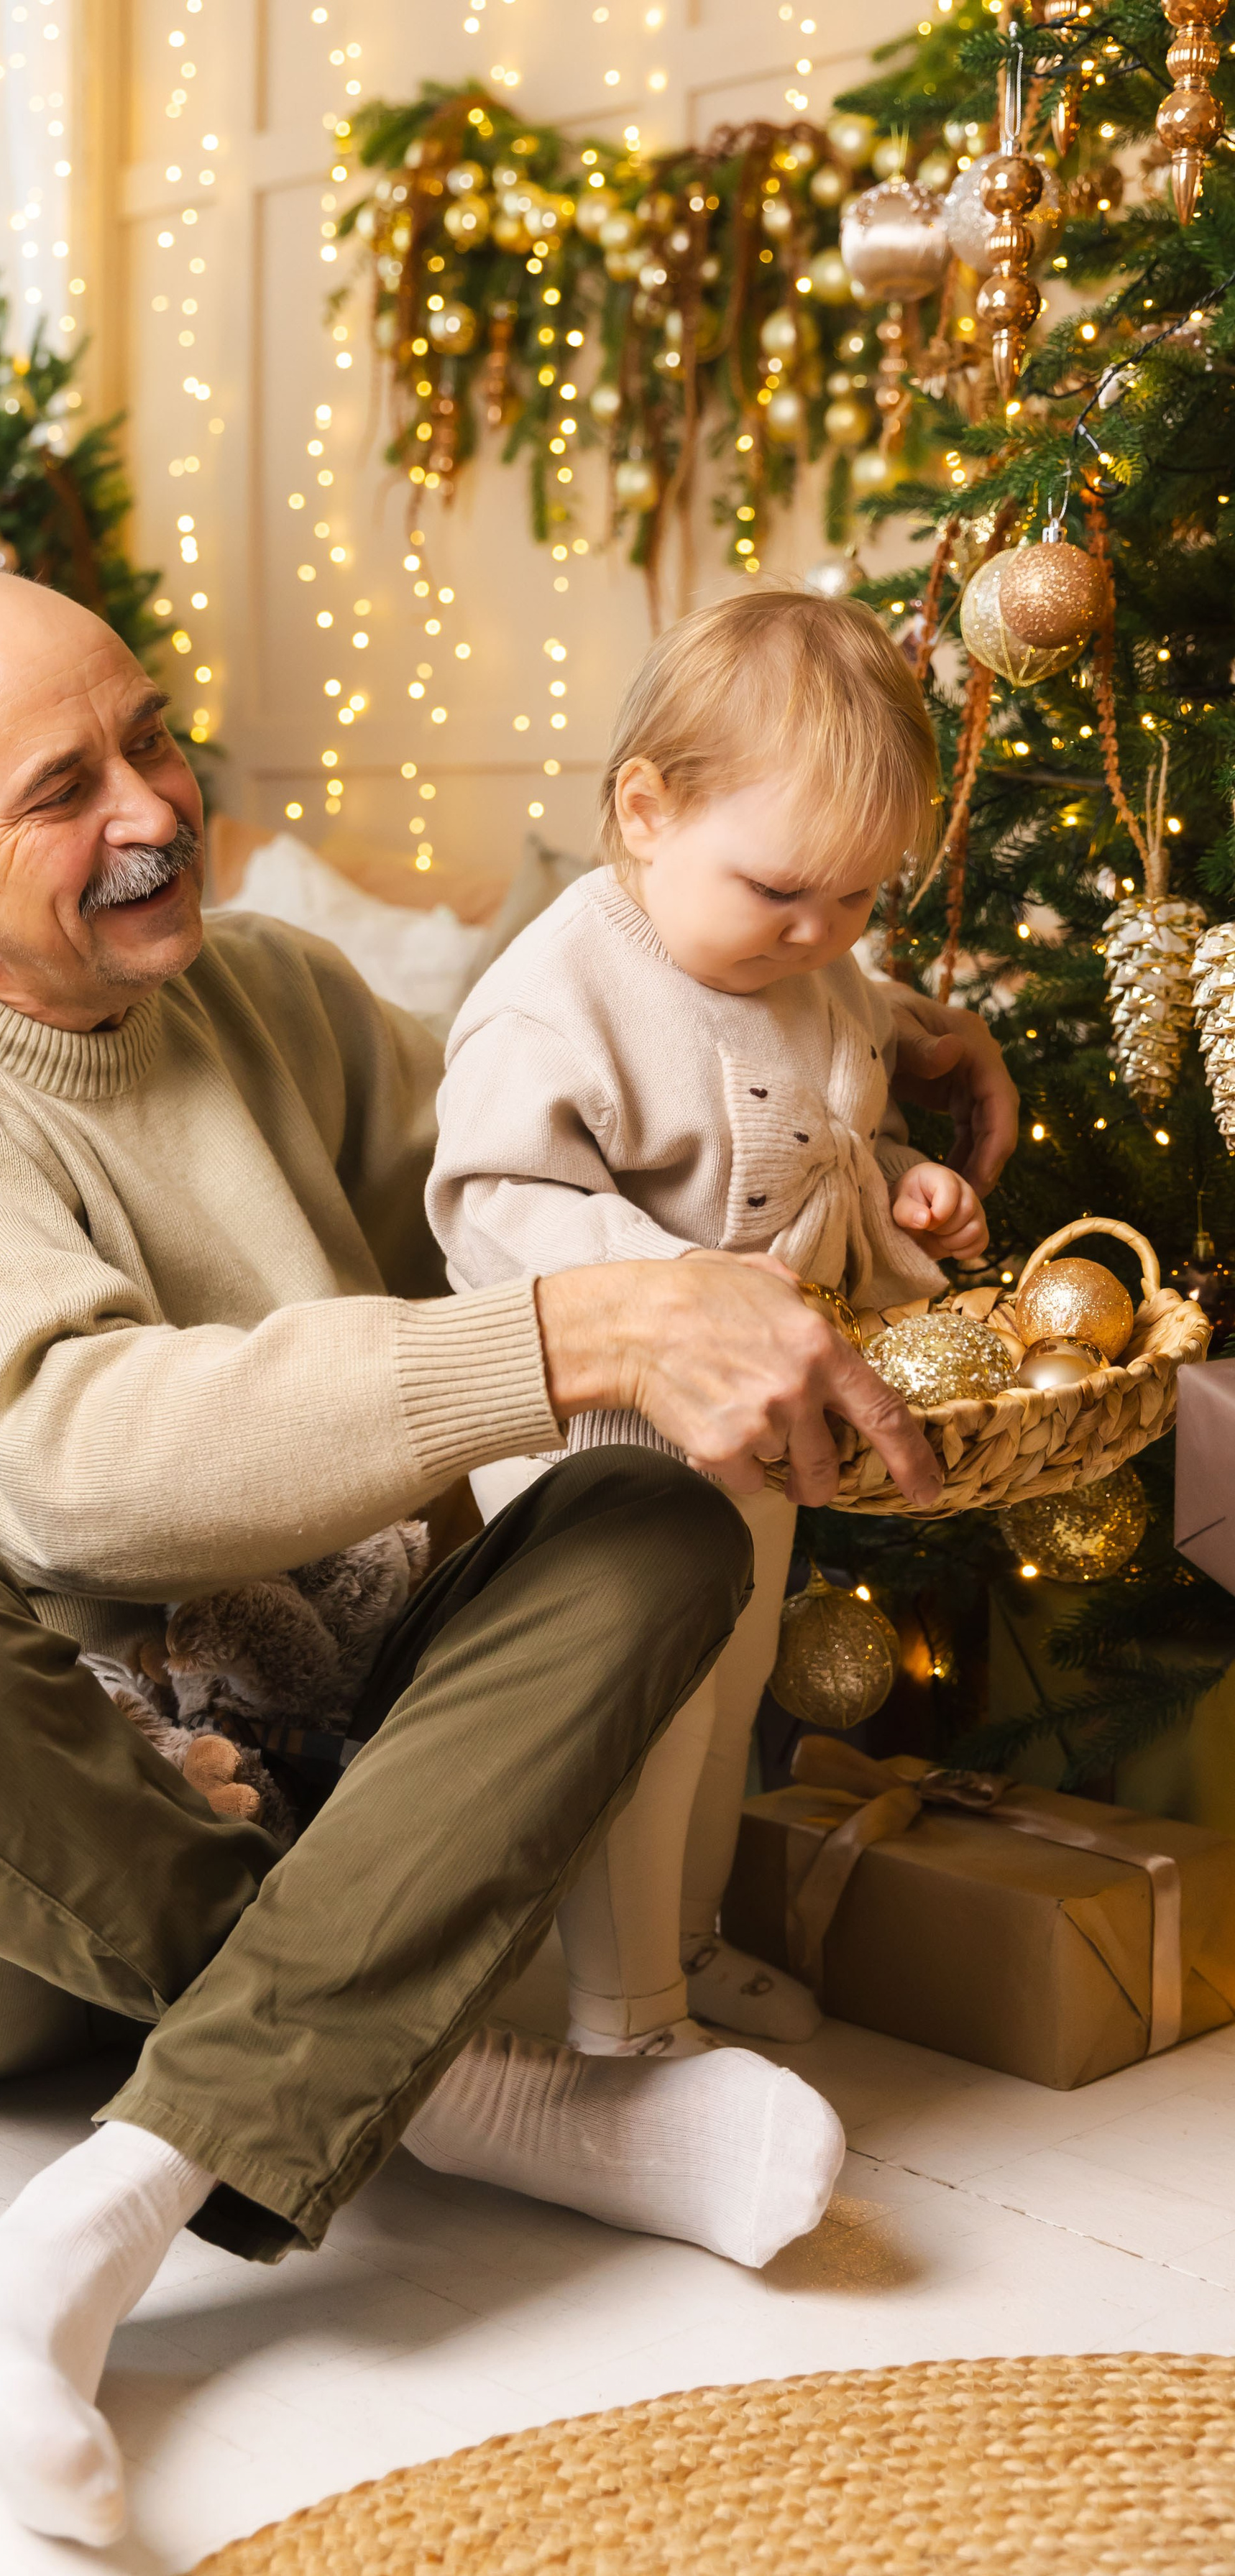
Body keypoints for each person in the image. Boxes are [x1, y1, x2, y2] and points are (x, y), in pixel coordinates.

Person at [0, 564, 1014, 2546]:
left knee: (649, 1518)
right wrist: (581, 1331)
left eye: (151, 734)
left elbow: (567, 1059)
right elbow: (82, 1469)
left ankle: (98, 2223)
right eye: (61, 789)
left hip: (304, 1786)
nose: (149, 808)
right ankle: (470, 2101)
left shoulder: (278, 998)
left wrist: (858, 1027)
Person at [428, 589, 1001, 2066]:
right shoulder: (559, 1000)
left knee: (736, 1682)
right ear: (642, 811)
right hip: (598, 1442)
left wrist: (898, 1188)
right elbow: (490, 1199)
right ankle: (622, 2017)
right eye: (778, 893)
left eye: (858, 899)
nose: (817, 934)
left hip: (754, 1425)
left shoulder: (807, 974)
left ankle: (681, 1942)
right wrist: (668, 1295)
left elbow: (811, 1139)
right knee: (646, 1715)